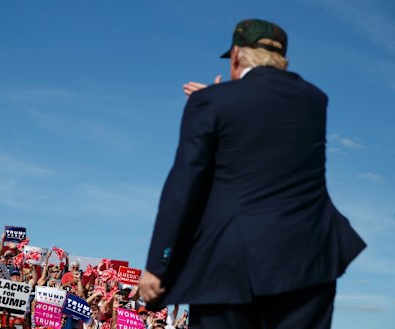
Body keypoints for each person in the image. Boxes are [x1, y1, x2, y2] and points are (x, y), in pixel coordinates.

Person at [139, 18, 366, 329]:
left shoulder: (212, 103)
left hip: (232, 266)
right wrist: (221, 102)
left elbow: (185, 183)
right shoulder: (315, 101)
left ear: (236, 55)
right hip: (311, 259)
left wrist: (158, 264)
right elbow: (266, 135)